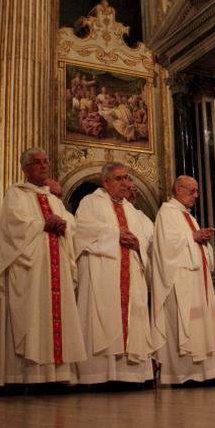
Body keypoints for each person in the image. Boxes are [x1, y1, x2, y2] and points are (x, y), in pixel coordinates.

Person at [0, 148, 86, 386]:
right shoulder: (15, 194)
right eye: (37, 162)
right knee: (31, 314)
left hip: (56, 267)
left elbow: (71, 223)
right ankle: (25, 375)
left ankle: (57, 374)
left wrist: (64, 224)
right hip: (29, 269)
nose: (43, 166)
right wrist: (43, 224)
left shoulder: (54, 200)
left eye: (45, 161)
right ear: (25, 169)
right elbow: (13, 226)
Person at [74, 163, 155, 385]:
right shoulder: (90, 202)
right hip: (103, 273)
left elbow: (149, 240)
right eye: (119, 179)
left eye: (127, 178)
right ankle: (98, 374)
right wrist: (114, 234)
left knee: (132, 320)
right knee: (102, 317)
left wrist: (137, 245)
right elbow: (81, 230)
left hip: (131, 273)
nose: (125, 183)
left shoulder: (133, 211)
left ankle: (131, 375)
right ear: (105, 182)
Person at [152, 175, 215, 385]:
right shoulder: (166, 213)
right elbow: (164, 246)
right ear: (178, 189)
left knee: (200, 326)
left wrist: (204, 241)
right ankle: (184, 374)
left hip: (197, 280)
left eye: (197, 191)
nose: (196, 196)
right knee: (183, 325)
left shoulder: (189, 217)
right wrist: (193, 237)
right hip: (179, 280)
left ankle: (205, 372)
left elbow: (194, 243)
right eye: (192, 191)